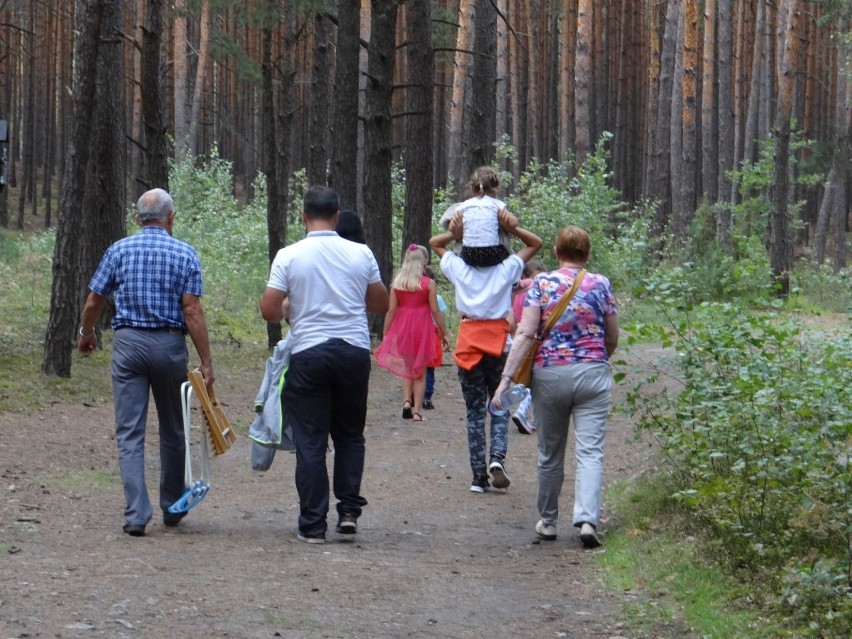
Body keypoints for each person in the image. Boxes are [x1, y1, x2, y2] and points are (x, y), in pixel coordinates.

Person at [76, 188, 214, 538]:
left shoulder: (118, 250)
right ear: (171, 218)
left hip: (128, 345)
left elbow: (95, 298)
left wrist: (87, 332)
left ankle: (136, 513)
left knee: (129, 430)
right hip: (169, 344)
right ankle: (172, 505)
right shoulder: (185, 253)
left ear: (137, 219)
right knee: (173, 427)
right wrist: (206, 361)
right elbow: (192, 310)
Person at [260, 185, 389, 544]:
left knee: (311, 442)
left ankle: (312, 525)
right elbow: (381, 303)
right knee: (349, 434)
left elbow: (269, 309)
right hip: (352, 352)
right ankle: (348, 511)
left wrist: (291, 305)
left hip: (309, 353)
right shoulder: (361, 253)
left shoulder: (289, 255)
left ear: (303, 217)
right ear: (336, 217)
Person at [493, 225, 619, 548]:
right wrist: (594, 358)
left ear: (557, 252)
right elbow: (612, 336)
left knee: (550, 453)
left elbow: (524, 334)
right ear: (587, 255)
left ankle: (548, 521)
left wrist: (506, 380)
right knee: (590, 451)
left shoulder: (541, 284)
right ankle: (587, 520)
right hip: (592, 373)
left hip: (549, 375)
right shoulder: (601, 284)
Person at [430, 209, 542, 493]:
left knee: (474, 412)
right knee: (500, 406)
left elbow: (435, 243)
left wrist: (457, 233)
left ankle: (478, 476)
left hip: (469, 343)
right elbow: (535, 244)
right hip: (499, 344)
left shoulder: (459, 267)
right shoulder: (507, 270)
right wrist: (512, 228)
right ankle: (498, 459)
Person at [374, 245, 450, 422]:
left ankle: (406, 402)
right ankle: (417, 411)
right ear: (425, 262)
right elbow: (435, 310)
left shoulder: (398, 283)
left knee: (408, 368)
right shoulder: (428, 284)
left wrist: (386, 333)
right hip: (422, 328)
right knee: (421, 371)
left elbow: (391, 310)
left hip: (403, 328)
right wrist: (444, 332)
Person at [450, 166, 514, 267]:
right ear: (496, 188)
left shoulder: (464, 205)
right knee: (510, 255)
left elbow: (451, 228)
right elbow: (514, 223)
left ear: (472, 188)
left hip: (469, 256)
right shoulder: (497, 204)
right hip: (492, 254)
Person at [510, 258, 546, 434]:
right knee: (535, 380)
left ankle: (531, 416)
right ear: (526, 277)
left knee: (528, 378)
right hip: (532, 339)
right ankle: (522, 411)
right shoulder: (534, 292)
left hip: (521, 339)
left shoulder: (517, 294)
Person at [422, 265, 448, 410]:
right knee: (430, 368)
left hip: (419, 333)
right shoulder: (437, 298)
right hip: (432, 333)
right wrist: (444, 334)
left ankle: (413, 396)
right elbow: (440, 316)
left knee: (418, 365)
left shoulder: (416, 292)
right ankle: (426, 397)